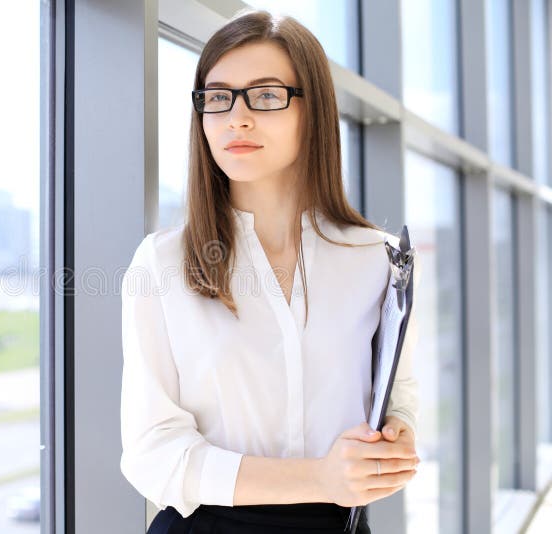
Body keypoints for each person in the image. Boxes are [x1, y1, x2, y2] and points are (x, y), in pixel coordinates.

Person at [119, 9, 421, 534]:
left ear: (315, 111)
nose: (237, 118)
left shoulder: (380, 260)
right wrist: (320, 479)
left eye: (265, 95)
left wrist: (396, 438)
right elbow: (153, 453)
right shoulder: (162, 263)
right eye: (218, 97)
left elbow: (400, 396)